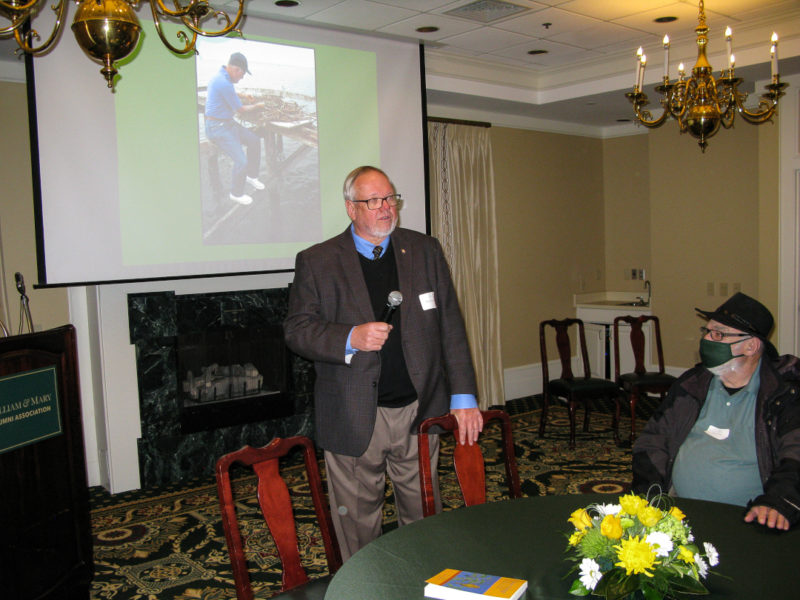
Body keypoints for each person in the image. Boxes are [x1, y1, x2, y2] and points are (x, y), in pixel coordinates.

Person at [284, 165, 483, 560]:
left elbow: (450, 326)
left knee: (426, 516)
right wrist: (349, 337)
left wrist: (464, 397)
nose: (385, 208)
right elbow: (297, 330)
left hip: (418, 409)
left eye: (390, 198)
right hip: (355, 413)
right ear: (350, 209)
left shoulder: (424, 250)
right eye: (373, 201)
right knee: (357, 526)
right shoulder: (318, 261)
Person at [632, 292, 800, 530]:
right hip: (680, 511)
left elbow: (795, 455)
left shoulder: (784, 395)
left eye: (718, 334)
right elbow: (653, 441)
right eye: (707, 331)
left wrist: (778, 502)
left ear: (751, 346)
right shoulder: (692, 385)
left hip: (749, 519)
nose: (707, 339)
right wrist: (650, 495)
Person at [204, 52, 265, 206]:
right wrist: (257, 106)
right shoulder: (223, 82)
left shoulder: (222, 76)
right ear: (236, 69)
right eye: (242, 74)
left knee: (254, 140)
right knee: (241, 161)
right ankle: (236, 193)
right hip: (217, 128)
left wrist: (243, 94)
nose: (242, 78)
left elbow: (228, 92)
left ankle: (252, 176)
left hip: (228, 123)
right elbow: (241, 110)